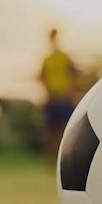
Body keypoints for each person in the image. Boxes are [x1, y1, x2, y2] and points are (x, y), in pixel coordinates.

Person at [38, 28, 80, 165]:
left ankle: (67, 160)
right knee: (51, 132)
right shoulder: (46, 59)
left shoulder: (65, 57)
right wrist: (47, 92)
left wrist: (70, 91)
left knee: (66, 130)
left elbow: (75, 74)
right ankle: (51, 163)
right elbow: (40, 77)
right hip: (52, 99)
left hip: (65, 99)